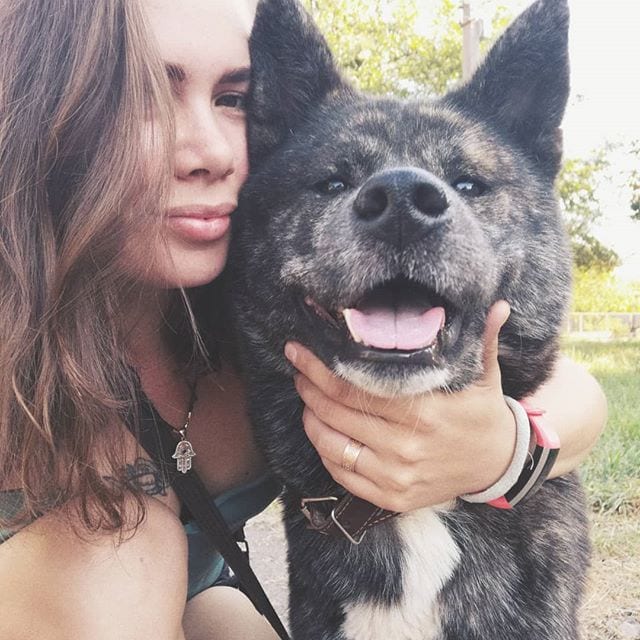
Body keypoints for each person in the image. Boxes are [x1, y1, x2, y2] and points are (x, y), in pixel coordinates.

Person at [0, 0, 606, 639]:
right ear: (43, 107)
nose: (209, 150)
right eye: (144, 96)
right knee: (119, 550)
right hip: (73, 596)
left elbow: (570, 388)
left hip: (191, 596)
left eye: (234, 99)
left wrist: (506, 449)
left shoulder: (250, 309)